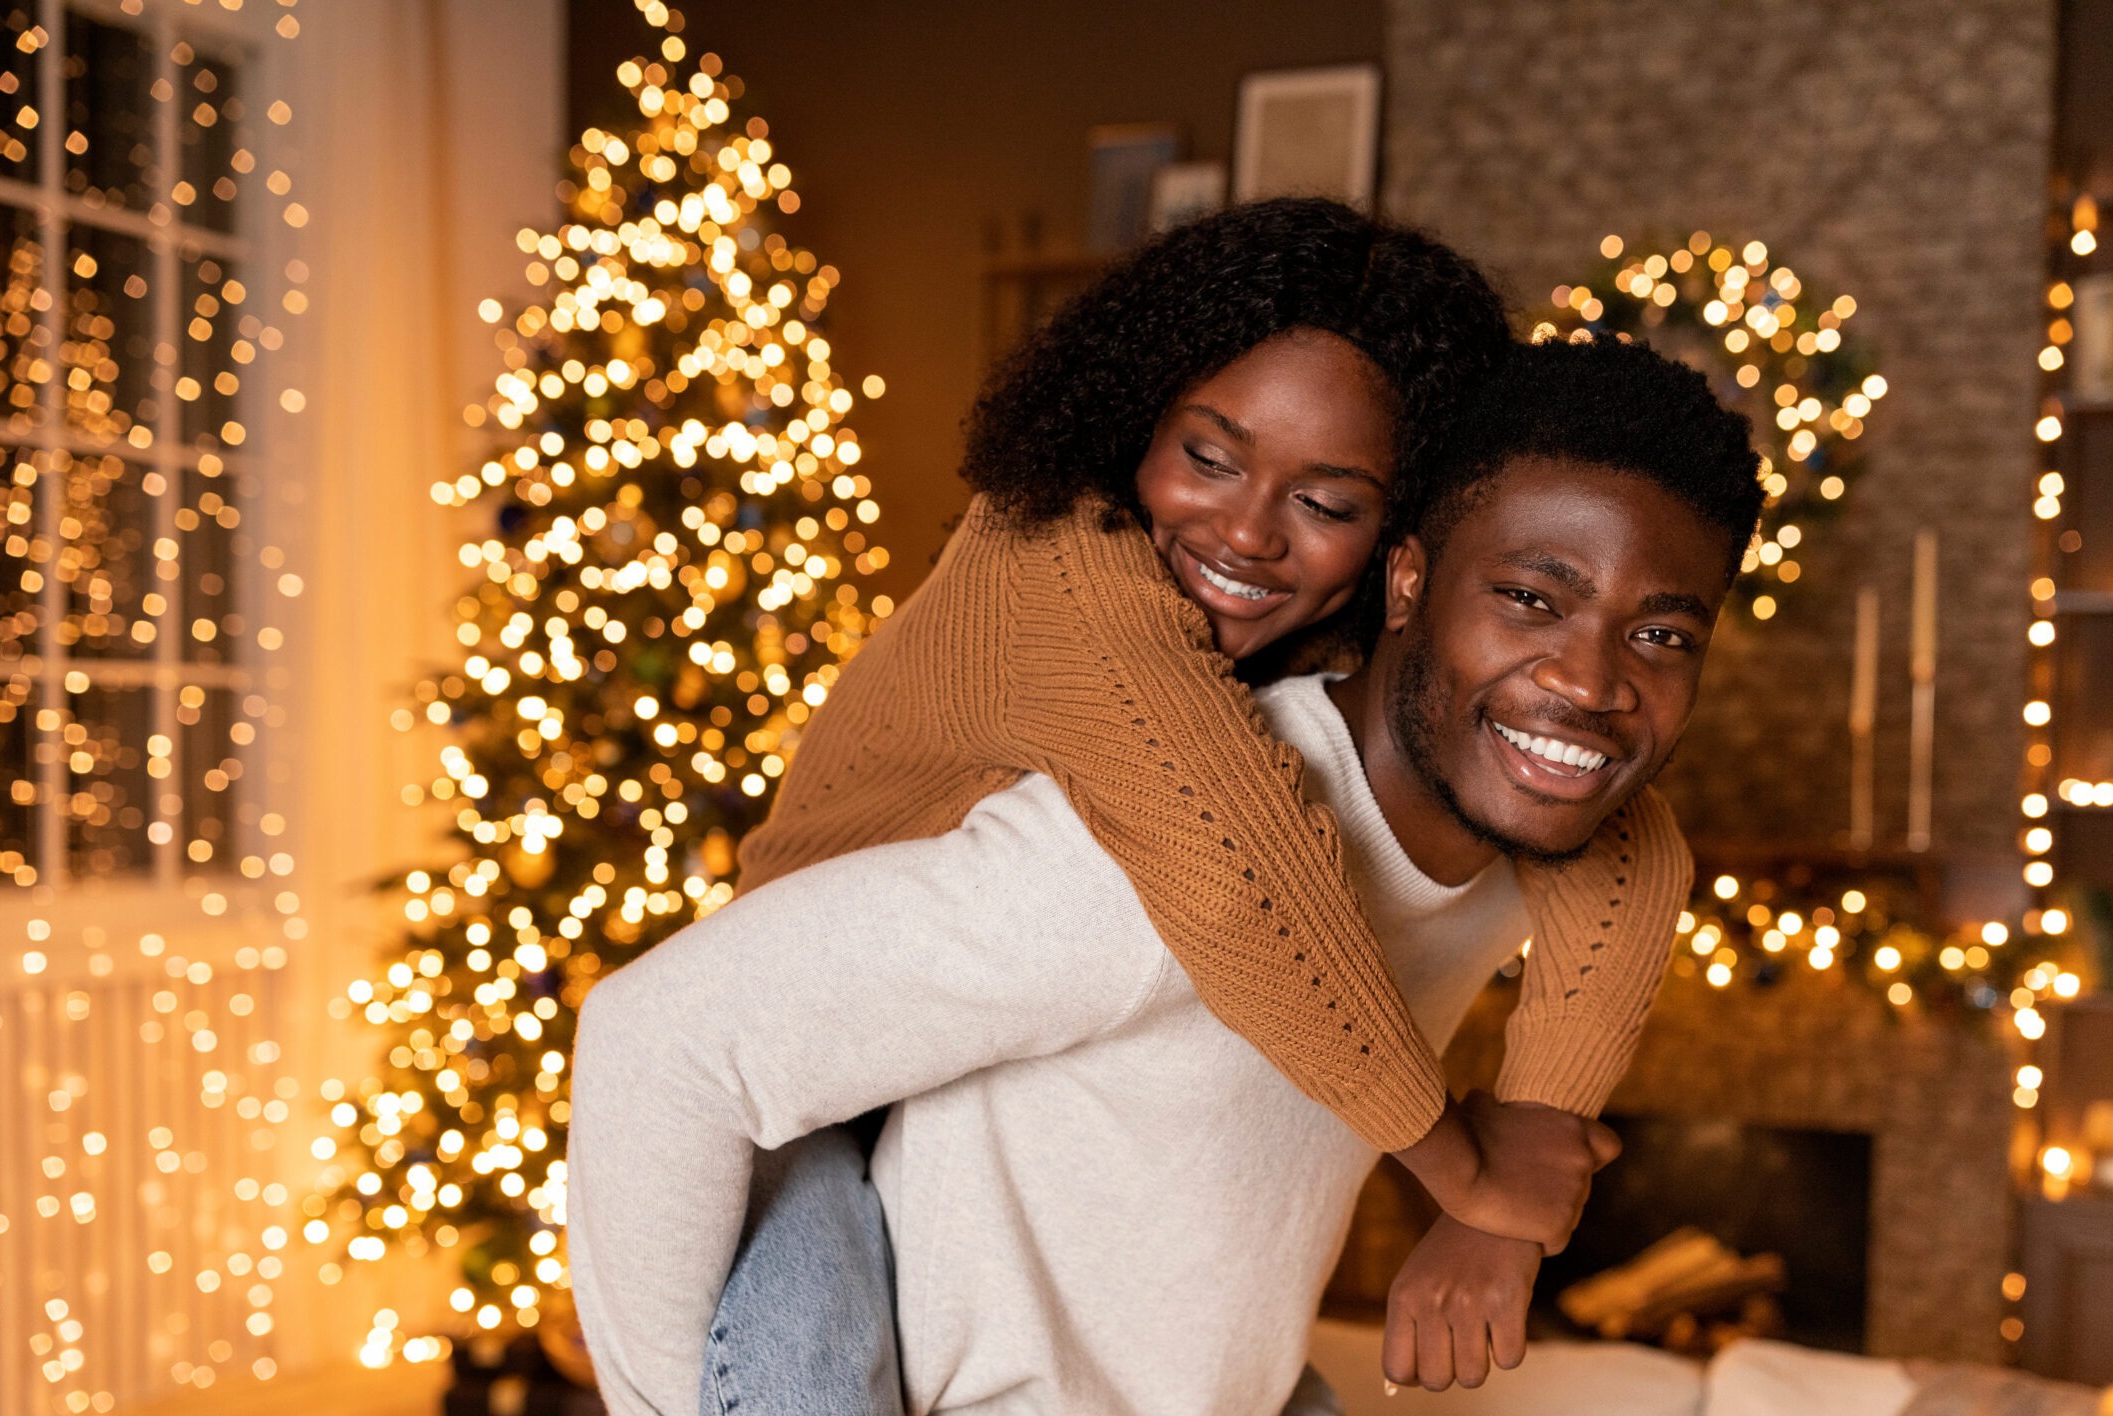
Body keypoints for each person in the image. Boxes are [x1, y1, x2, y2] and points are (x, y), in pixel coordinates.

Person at [568, 334, 1766, 1415]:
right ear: (1406, 581)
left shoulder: (1530, 834)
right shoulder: (1146, 856)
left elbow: (1640, 856)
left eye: (1660, 636)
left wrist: (1497, 1208)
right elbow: (659, 1041)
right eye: (1529, 598)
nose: (1592, 679)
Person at [737, 198, 1673, 1236]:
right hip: (796, 1095)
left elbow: (1625, 844)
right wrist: (1465, 1172)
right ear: (1136, 416)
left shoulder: (1326, 632)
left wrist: (1540, 1125)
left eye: (1326, 505)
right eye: (1207, 457)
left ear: (1404, 538)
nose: (1243, 532)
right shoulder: (1055, 563)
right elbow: (1239, 875)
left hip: (964, 1115)